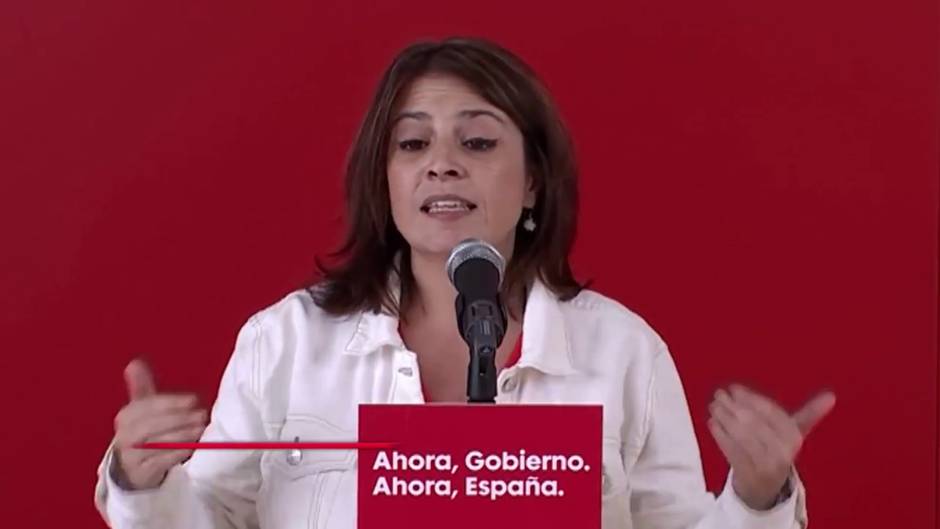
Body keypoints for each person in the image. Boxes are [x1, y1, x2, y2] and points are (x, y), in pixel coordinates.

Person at [94, 37, 836, 529]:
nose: (440, 163)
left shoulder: (621, 351)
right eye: (412, 143)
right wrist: (141, 481)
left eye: (477, 142)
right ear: (384, 180)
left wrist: (757, 495)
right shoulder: (284, 341)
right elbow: (211, 517)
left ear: (535, 183)